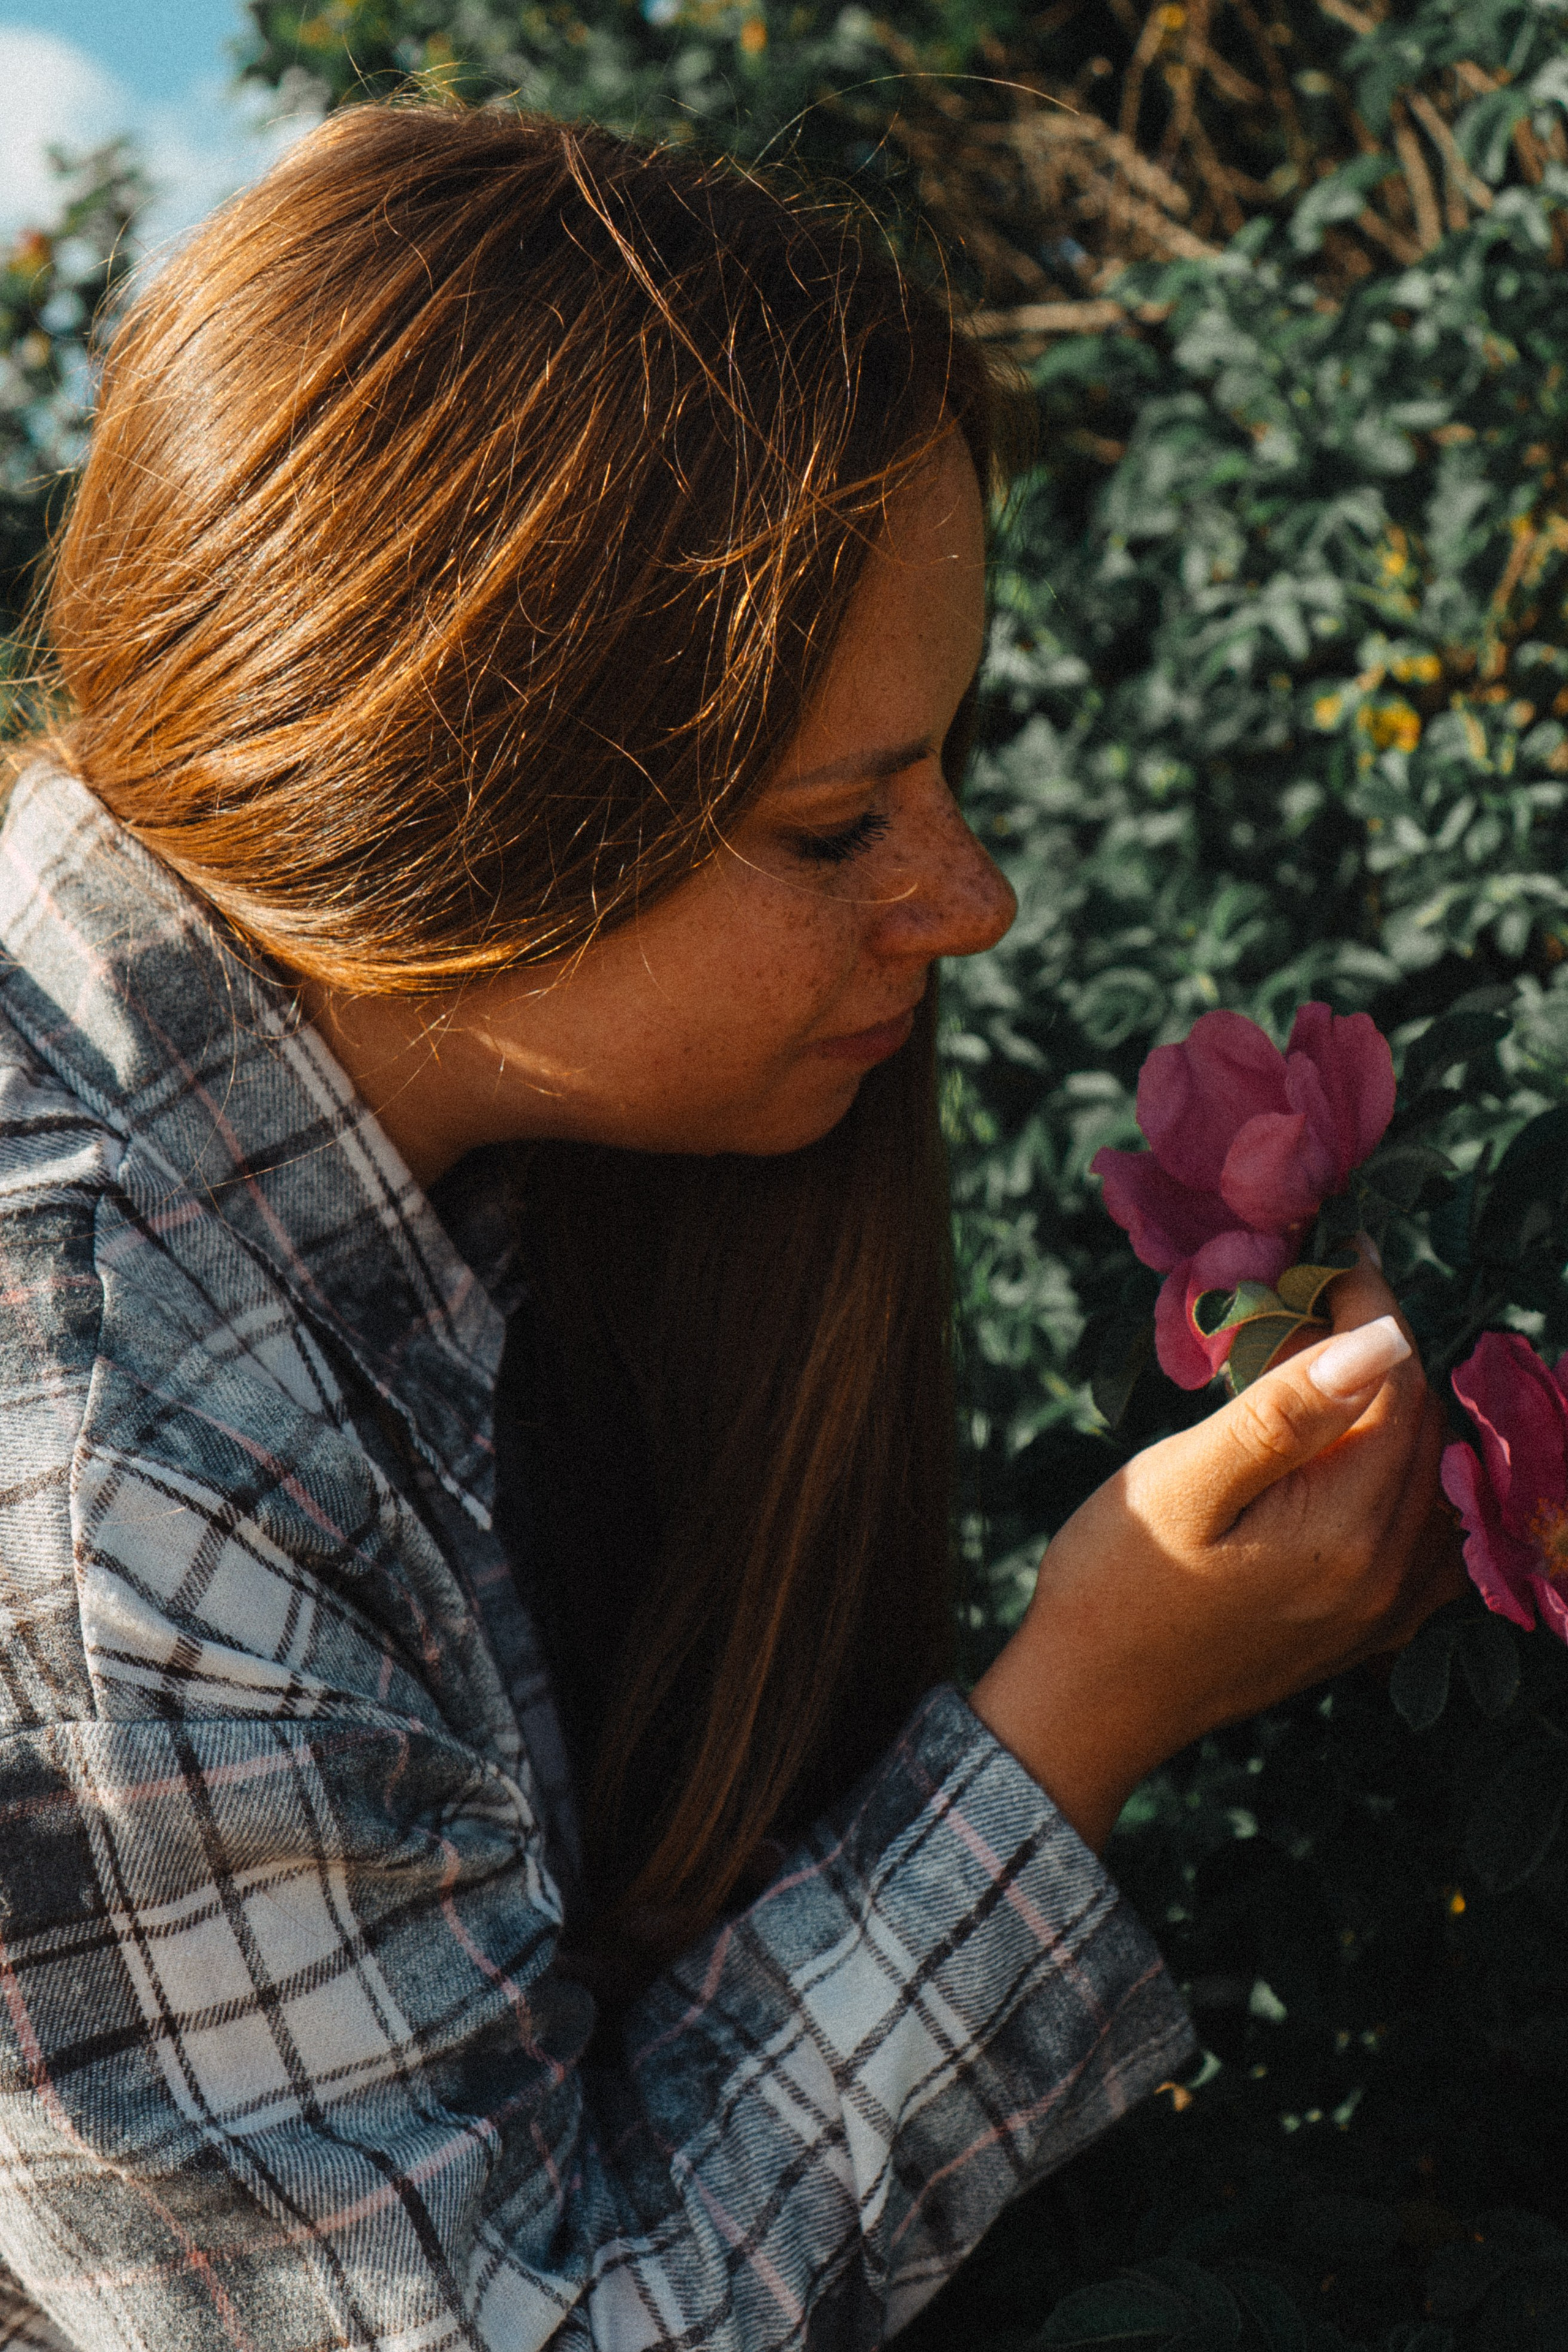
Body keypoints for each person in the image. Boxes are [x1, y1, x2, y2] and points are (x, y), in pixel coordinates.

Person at [0, 101, 1454, 2352]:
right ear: (438, 807)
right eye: (838, 822)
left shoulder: (342, 1141)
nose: (971, 900)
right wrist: (1085, 1703)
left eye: (946, 766)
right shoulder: (109, 1493)